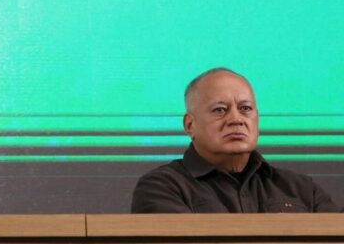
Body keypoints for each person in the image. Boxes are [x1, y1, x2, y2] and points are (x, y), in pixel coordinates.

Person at [131, 68, 338, 213]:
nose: (236, 119)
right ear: (189, 125)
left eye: (245, 109)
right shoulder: (163, 187)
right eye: (220, 110)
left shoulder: (300, 189)